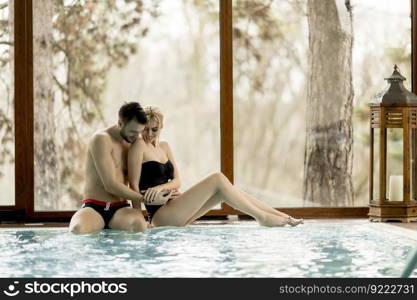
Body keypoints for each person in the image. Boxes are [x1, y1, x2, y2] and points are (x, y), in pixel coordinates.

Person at [128, 106, 304, 227]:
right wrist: (140, 221)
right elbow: (133, 187)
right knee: (218, 179)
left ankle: (282, 216)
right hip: (161, 215)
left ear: (161, 127)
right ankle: (262, 217)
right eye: (146, 129)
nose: (149, 134)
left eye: (154, 129)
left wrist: (162, 187)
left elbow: (178, 181)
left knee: (225, 191)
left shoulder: (164, 146)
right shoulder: (138, 147)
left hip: (176, 206)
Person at [69, 102, 170, 234]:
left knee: (140, 227)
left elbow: (137, 181)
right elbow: (110, 185)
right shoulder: (101, 140)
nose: (136, 136)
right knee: (78, 230)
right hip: (95, 207)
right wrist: (145, 198)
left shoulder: (132, 144)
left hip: (120, 208)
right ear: (120, 123)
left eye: (139, 132)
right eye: (133, 132)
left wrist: (164, 192)